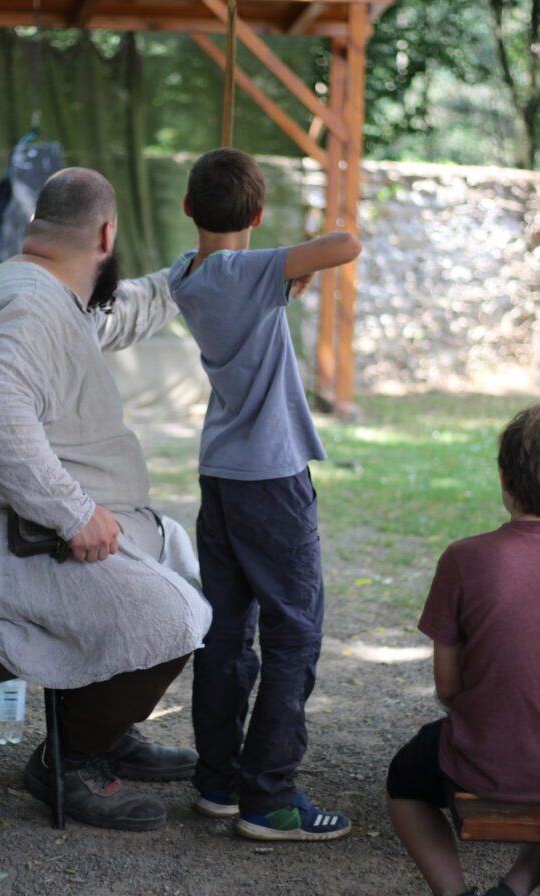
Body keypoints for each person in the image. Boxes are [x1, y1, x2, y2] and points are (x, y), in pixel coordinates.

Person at [0, 167, 212, 833]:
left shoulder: (43, 290)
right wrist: (73, 512)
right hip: (4, 543)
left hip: (18, 533)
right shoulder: (31, 304)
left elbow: (120, 309)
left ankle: (106, 727)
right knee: (174, 616)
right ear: (107, 234)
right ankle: (71, 758)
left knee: (179, 558)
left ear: (38, 227)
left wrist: (199, 271)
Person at [167, 146, 361, 841]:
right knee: (293, 632)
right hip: (271, 479)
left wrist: (283, 277)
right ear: (256, 216)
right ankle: (269, 799)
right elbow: (345, 243)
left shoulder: (185, 275)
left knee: (225, 630)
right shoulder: (250, 271)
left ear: (187, 208)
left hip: (220, 473)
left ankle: (218, 781)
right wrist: (285, 264)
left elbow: (248, 286)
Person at [387, 404, 540, 896]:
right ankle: (516, 886)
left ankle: (454, 893)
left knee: (406, 778)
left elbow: (449, 688)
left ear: (503, 477)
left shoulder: (465, 558)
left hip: (489, 761)